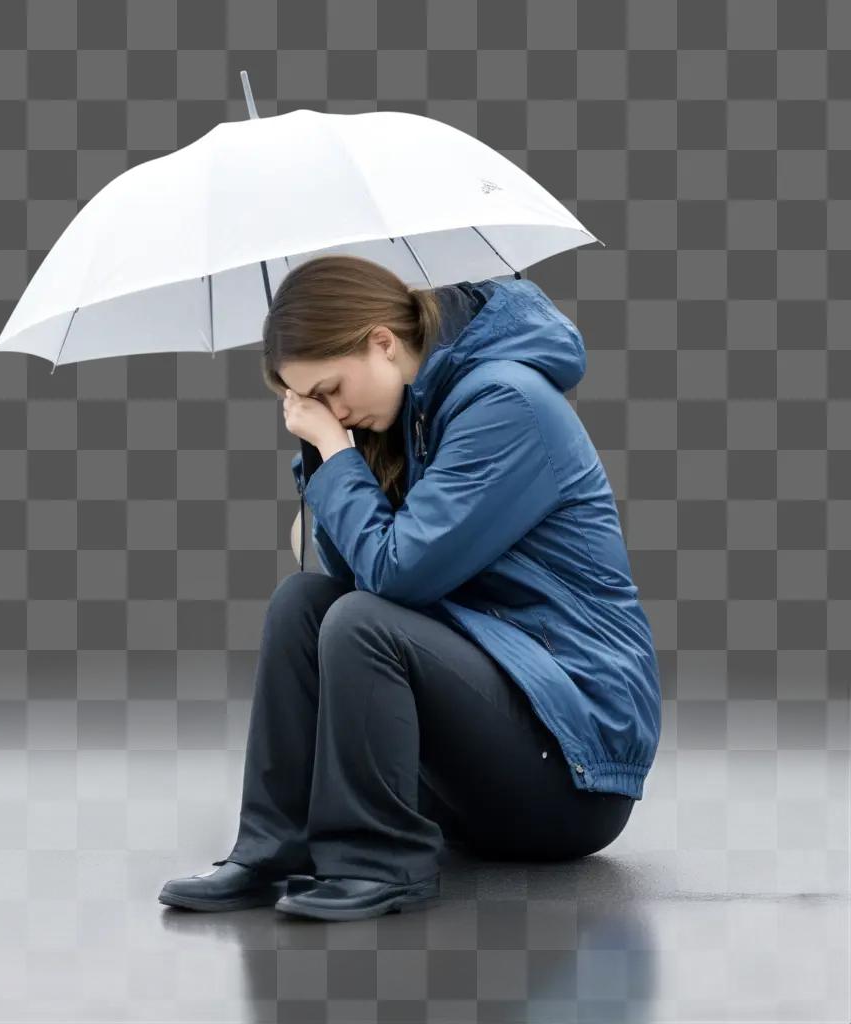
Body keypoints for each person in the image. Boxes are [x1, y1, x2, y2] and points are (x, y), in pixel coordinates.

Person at [159, 254, 661, 922]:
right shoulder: (410, 422)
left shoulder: (506, 405)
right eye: (311, 401)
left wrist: (335, 455)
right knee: (303, 605)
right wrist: (326, 456)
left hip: (572, 776)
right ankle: (274, 847)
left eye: (331, 388)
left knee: (364, 621)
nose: (330, 410)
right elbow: (346, 575)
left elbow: (398, 576)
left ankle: (378, 861)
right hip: (479, 772)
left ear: (382, 341)